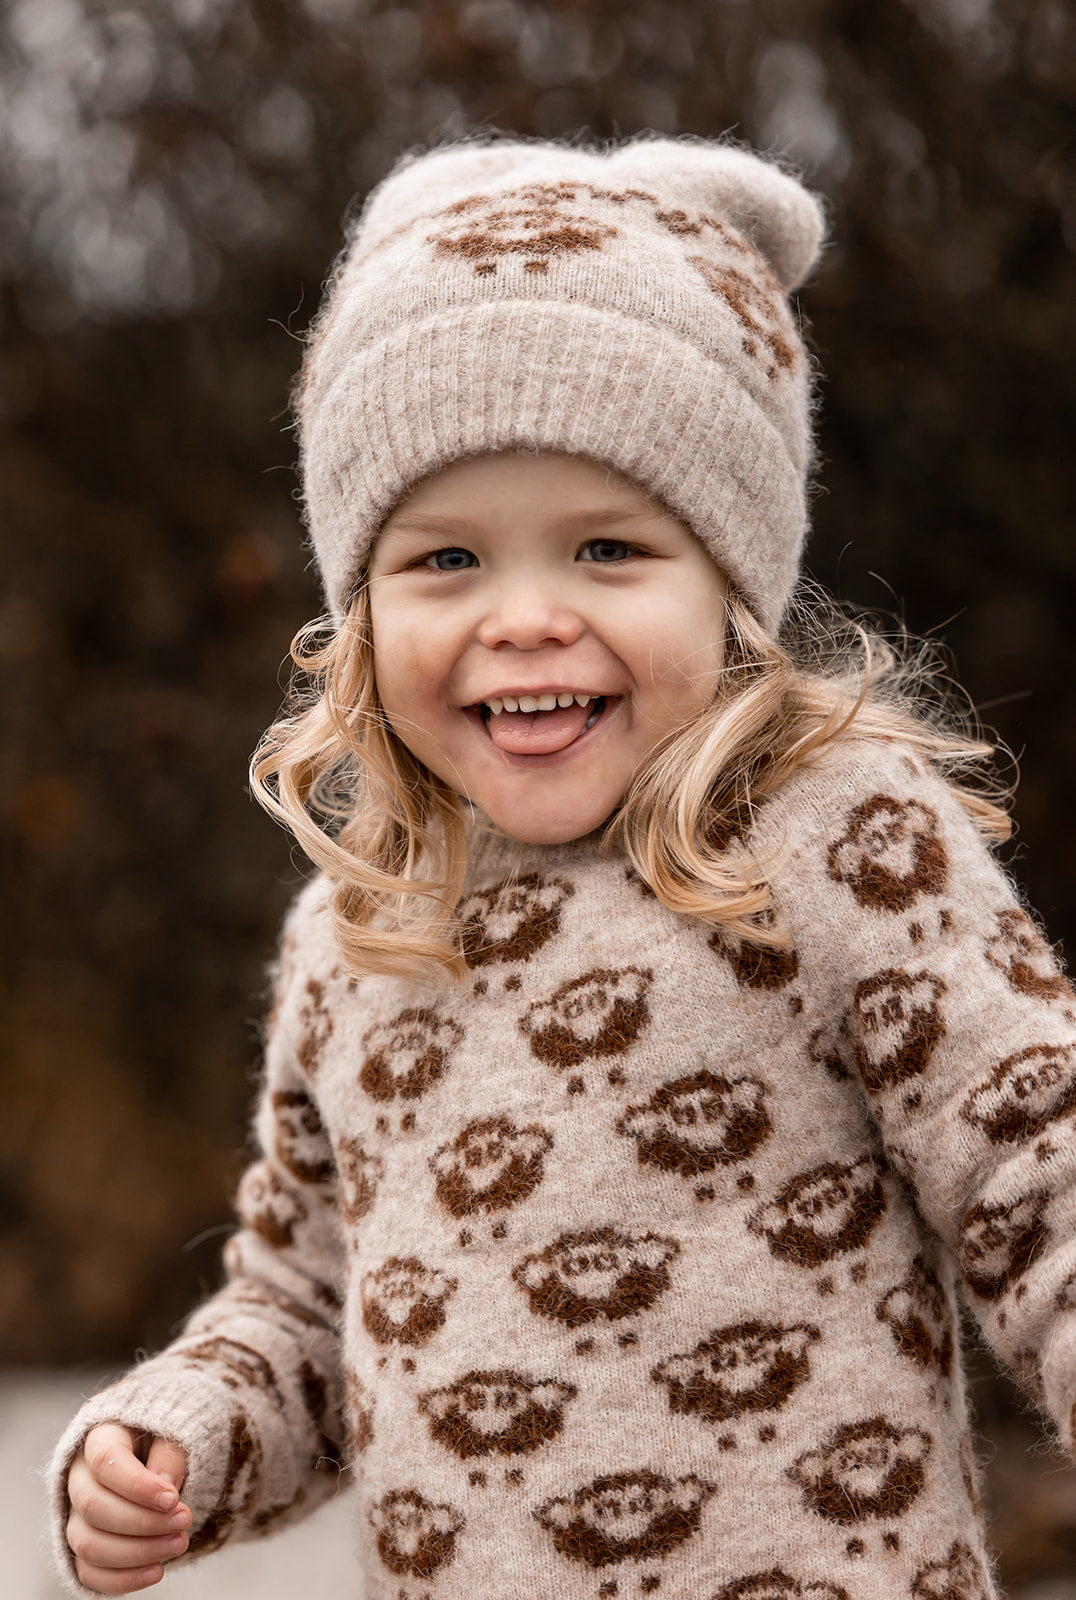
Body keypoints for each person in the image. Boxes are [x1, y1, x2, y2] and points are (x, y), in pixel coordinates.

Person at [50, 133, 1076, 1600]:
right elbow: (305, 1306)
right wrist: (184, 1434)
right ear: (358, 604)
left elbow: (1035, 1160)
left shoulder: (834, 838)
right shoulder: (360, 934)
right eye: (446, 561)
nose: (524, 616)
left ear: (731, 580)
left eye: (607, 549)